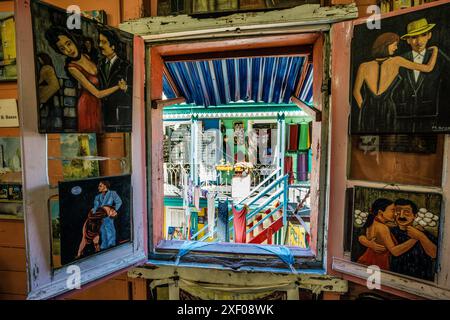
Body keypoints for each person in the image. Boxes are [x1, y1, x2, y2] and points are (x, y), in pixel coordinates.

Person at [45, 26, 127, 132]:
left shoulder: (87, 56)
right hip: (87, 106)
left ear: (73, 40)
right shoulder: (72, 68)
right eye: (62, 49)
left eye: (68, 44)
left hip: (99, 104)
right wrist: (118, 87)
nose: (68, 50)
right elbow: (97, 94)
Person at [352, 32, 438, 133]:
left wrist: (364, 108)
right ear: (386, 45)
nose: (396, 48)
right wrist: (435, 51)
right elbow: (428, 68)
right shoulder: (397, 61)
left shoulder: (363, 66)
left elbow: (356, 92)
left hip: (367, 110)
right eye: (395, 45)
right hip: (388, 109)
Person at [394, 18, 450, 132]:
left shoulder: (439, 57)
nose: (419, 41)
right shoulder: (400, 59)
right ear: (408, 40)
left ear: (429, 35)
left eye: (423, 35)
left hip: (430, 115)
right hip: (403, 116)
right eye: (414, 37)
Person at [356, 198, 417, 270]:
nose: (395, 214)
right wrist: (415, 238)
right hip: (377, 263)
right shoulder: (382, 228)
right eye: (392, 210)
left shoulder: (373, 222)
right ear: (380, 213)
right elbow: (395, 252)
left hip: (368, 260)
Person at [389, 199, 437, 281]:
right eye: (398, 212)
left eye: (406, 212)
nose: (401, 216)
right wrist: (416, 237)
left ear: (415, 216)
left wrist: (421, 236)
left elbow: (434, 254)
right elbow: (394, 252)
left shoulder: (424, 233)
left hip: (422, 280)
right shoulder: (390, 232)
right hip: (395, 277)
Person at [98, 28, 133, 132]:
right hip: (102, 114)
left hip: (120, 117)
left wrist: (125, 87)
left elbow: (137, 92)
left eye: (103, 42)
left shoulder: (126, 66)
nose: (100, 45)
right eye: (99, 42)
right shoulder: (99, 65)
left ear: (113, 46)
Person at [93, 181, 122, 250]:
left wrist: (113, 210)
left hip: (109, 216)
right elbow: (95, 207)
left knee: (110, 229)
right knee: (102, 231)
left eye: (100, 186)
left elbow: (119, 202)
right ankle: (104, 247)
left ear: (105, 186)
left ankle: (111, 245)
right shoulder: (97, 197)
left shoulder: (112, 193)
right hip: (100, 217)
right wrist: (94, 213)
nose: (98, 187)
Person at [37, 52, 63, 132]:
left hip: (50, 89)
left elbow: (40, 80)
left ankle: (47, 125)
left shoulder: (45, 68)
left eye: (39, 60)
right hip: (55, 89)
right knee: (51, 109)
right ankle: (51, 125)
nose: (39, 61)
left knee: (41, 101)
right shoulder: (50, 67)